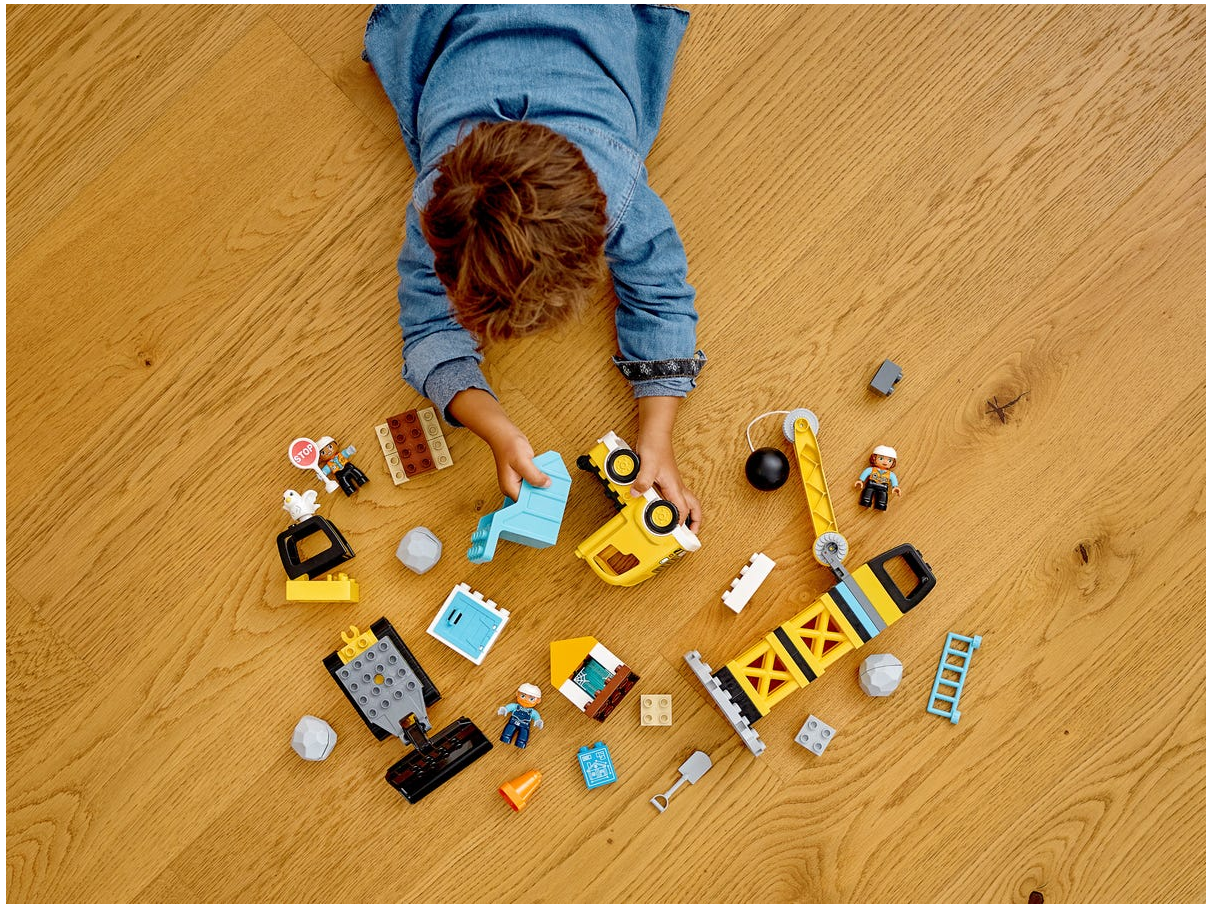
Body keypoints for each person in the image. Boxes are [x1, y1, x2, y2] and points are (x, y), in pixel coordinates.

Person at [362, 4, 705, 532]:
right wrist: (498, 429)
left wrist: (658, 434)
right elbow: (428, 326)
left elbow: (661, 294)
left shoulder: (612, 187)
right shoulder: (437, 202)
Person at [497, 684, 544, 749]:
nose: (526, 700)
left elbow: (536, 716)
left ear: (538, 701)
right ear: (517, 693)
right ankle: (505, 737)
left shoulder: (532, 712)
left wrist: (538, 721)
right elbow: (510, 707)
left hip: (524, 726)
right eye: (523, 696)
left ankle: (521, 743)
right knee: (509, 730)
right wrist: (505, 709)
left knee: (523, 735)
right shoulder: (515, 706)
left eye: (531, 699)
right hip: (513, 722)